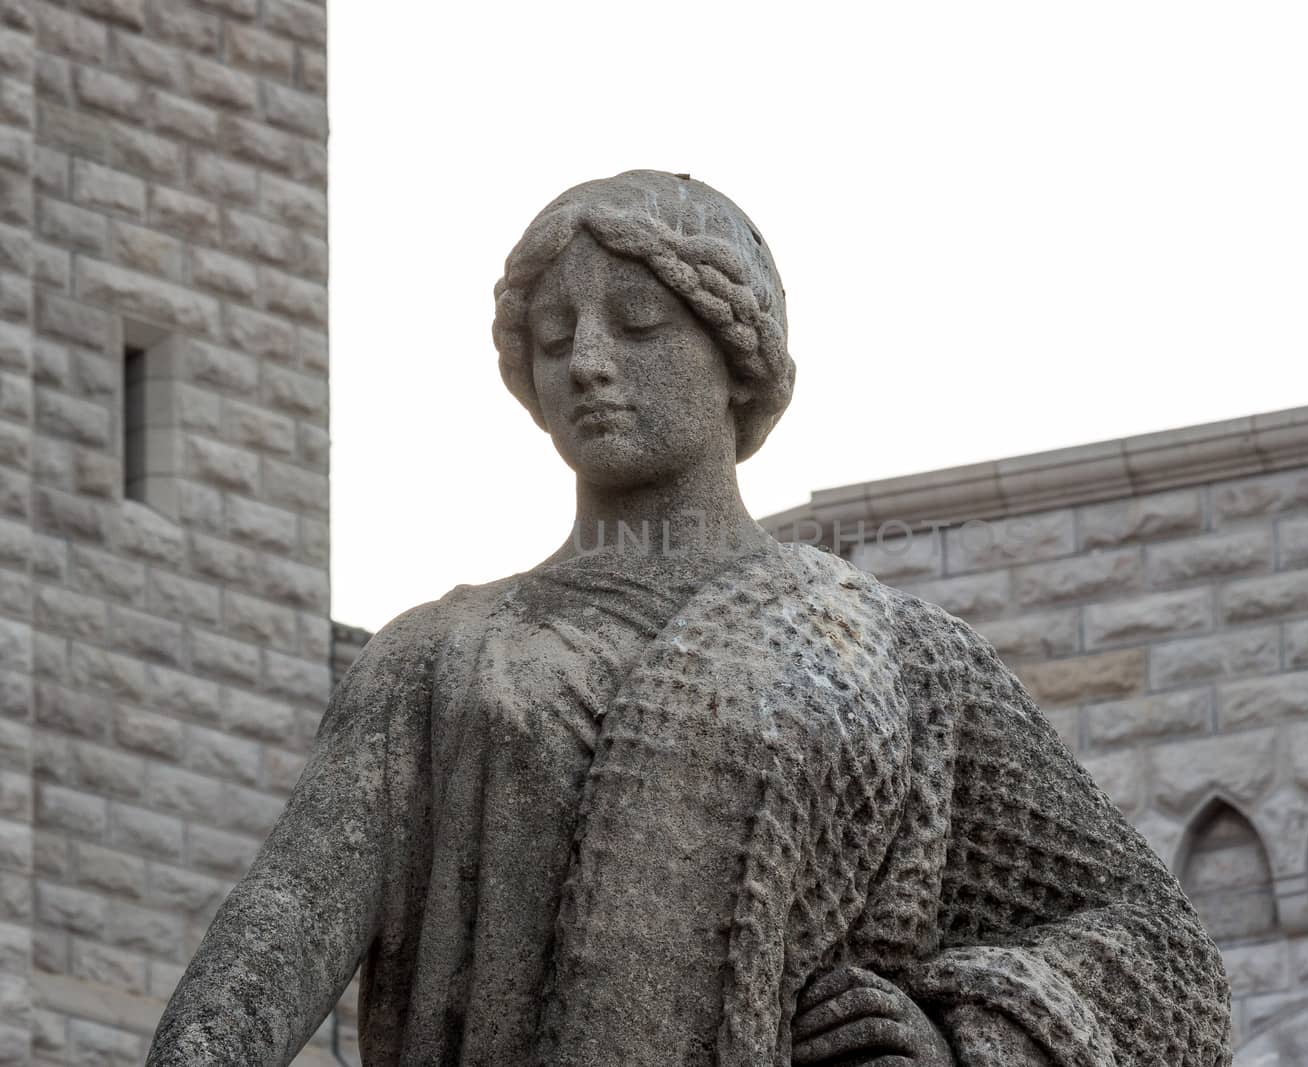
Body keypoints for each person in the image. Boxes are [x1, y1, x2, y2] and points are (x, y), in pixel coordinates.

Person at [147, 170, 1232, 1066]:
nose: (588, 363)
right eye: (554, 334)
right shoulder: (438, 656)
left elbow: (1162, 955)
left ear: (734, 358)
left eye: (635, 324)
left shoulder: (897, 657)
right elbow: (273, 939)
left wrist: (962, 1040)